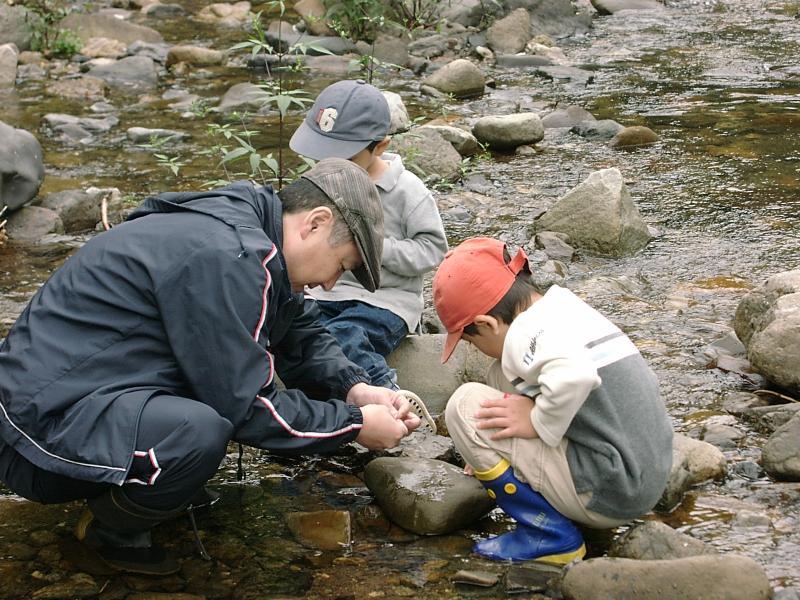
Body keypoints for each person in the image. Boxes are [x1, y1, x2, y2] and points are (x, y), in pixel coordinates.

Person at [0, 158, 420, 575]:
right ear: (315, 222)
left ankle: (155, 485)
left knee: (206, 406)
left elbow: (299, 329)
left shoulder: (245, 230)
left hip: (61, 400)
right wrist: (353, 424)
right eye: (342, 265)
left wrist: (354, 388)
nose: (331, 284)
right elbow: (250, 408)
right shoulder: (229, 256)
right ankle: (110, 529)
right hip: (34, 438)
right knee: (198, 433)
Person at [433, 237, 673, 564]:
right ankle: (508, 457)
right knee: (499, 375)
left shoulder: (521, 339)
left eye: (471, 342)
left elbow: (577, 376)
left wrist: (536, 421)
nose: (473, 349)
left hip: (610, 492)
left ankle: (550, 535)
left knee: (464, 407)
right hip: (643, 473)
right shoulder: (561, 307)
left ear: (485, 324)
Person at [290, 79, 448, 393]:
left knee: (346, 336)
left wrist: (373, 249)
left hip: (385, 302)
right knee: (300, 334)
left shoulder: (406, 191)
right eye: (324, 156)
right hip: (326, 295)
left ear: (381, 146)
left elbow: (432, 250)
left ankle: (386, 393)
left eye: (344, 157)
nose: (331, 166)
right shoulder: (322, 182)